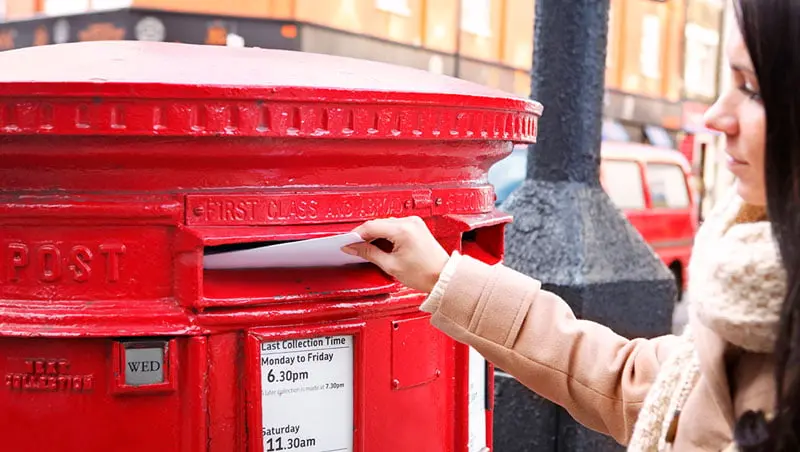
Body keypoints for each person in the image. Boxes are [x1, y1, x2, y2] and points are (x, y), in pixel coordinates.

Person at [341, 0, 800, 450]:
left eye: (753, 89)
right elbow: (626, 380)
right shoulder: (751, 300)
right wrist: (442, 276)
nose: (718, 116)